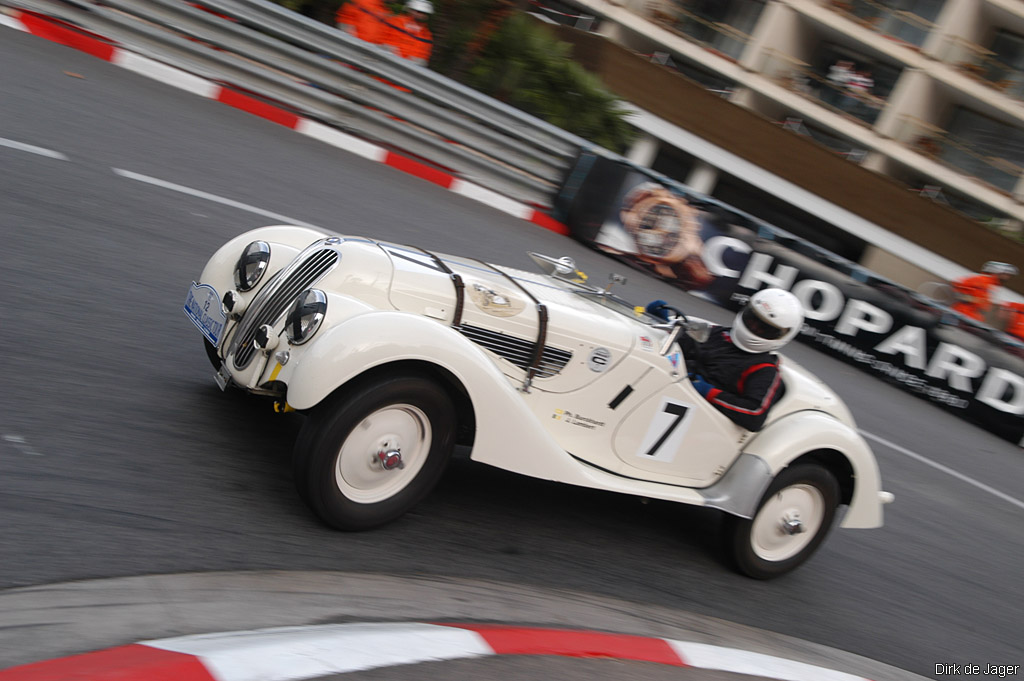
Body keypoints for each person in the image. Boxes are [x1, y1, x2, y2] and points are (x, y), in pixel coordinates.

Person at [647, 288, 805, 432]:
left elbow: (754, 415)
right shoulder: (718, 333)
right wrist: (665, 324)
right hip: (669, 388)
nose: (754, 329)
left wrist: (709, 392)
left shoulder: (764, 370)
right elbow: (687, 347)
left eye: (765, 329)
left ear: (782, 336)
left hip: (700, 420)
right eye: (752, 320)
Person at [950, 261, 1019, 323]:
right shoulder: (978, 279)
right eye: (1006, 274)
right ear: (997, 272)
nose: (1007, 277)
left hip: (974, 316)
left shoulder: (992, 286)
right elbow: (956, 291)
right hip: (962, 313)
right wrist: (974, 300)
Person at [383, 0, 434, 65]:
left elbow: (424, 56)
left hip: (407, 70)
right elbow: (383, 39)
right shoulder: (395, 22)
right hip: (387, 62)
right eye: (419, 12)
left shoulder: (427, 35)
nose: (421, 15)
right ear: (410, 10)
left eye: (424, 13)